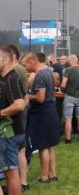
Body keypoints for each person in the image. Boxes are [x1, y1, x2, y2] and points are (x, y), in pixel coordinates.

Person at [21, 52, 60, 184]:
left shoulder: (40, 75)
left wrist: (27, 96)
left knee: (43, 146)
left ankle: (44, 177)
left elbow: (40, 98)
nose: (24, 68)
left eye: (25, 65)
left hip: (43, 113)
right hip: (50, 110)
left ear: (32, 62)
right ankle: (52, 174)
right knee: (50, 146)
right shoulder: (48, 71)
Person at [0, 46, 26, 195]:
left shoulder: (10, 79)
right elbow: (25, 97)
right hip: (12, 130)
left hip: (9, 132)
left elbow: (20, 104)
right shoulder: (7, 78)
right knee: (10, 171)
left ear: (5, 60)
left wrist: (1, 113)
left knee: (11, 172)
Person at [6, 45, 29, 190]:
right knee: (20, 149)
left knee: (16, 152)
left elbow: (20, 96)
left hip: (15, 112)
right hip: (20, 109)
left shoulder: (15, 72)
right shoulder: (20, 70)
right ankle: (23, 182)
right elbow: (25, 95)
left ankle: (20, 182)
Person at [60, 55, 79, 143]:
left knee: (68, 119)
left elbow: (63, 84)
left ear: (71, 61)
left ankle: (68, 139)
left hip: (69, 96)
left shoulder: (68, 70)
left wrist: (63, 89)